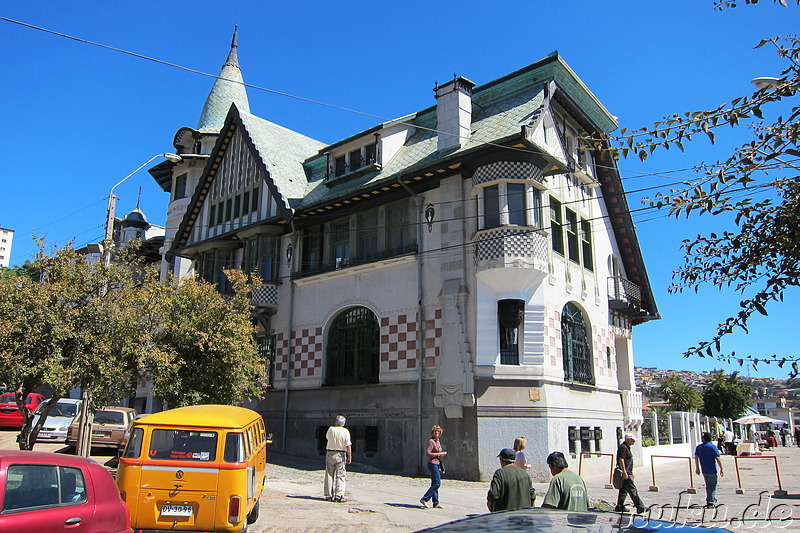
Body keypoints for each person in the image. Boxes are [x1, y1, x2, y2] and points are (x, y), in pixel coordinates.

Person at [324, 415, 352, 503]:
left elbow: (327, 438)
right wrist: (349, 456)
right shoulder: (345, 431)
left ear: (336, 422)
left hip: (330, 453)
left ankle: (328, 495)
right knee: (340, 475)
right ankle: (338, 495)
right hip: (340, 454)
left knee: (329, 474)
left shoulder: (330, 429)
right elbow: (348, 446)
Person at [615, 433, 645, 514]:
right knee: (632, 489)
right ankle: (640, 506)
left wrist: (631, 472)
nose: (634, 442)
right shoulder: (623, 447)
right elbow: (621, 460)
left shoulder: (627, 447)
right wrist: (625, 472)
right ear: (628, 439)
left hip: (628, 472)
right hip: (626, 473)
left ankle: (619, 506)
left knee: (623, 490)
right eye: (633, 440)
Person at [694, 431, 724, 508]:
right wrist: (721, 468)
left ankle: (710, 499)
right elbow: (718, 458)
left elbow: (696, 457)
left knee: (708, 485)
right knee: (713, 486)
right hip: (712, 469)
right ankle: (711, 502)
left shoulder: (699, 447)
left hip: (704, 469)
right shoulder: (712, 447)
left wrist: (697, 468)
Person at [420, 425, 446, 509]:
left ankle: (436, 502)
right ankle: (425, 499)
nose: (437, 433)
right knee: (438, 483)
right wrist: (439, 454)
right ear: (433, 432)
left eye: (438, 431)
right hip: (432, 463)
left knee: (434, 482)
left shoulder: (438, 441)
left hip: (437, 463)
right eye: (435, 431)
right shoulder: (431, 441)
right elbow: (428, 453)